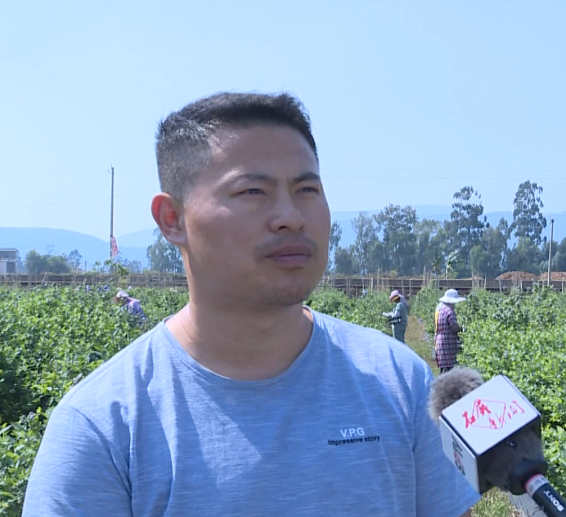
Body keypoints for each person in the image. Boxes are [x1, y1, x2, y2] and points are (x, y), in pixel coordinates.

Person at [22, 92, 478, 517]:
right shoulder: (101, 427)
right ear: (172, 219)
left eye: (307, 190)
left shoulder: (401, 383)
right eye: (253, 192)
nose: (291, 217)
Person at [434, 288, 466, 374]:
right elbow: (454, 327)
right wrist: (462, 329)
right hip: (448, 343)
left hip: (439, 341)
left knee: (443, 370)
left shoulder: (439, 309)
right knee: (448, 371)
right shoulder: (450, 311)